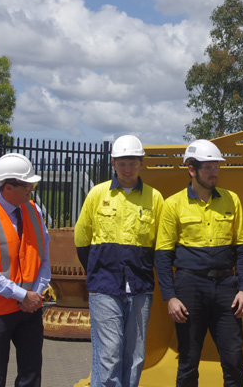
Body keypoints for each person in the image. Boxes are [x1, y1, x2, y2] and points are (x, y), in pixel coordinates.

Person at [155, 139, 243, 387]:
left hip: (227, 287)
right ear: (192, 169)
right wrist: (170, 297)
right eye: (208, 167)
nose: (214, 172)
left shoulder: (232, 199)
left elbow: (242, 249)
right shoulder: (173, 204)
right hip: (189, 286)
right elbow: (163, 255)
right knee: (188, 360)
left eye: (216, 167)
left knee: (234, 359)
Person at [74, 134, 164, 387]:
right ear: (113, 163)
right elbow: (82, 240)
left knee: (135, 356)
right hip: (104, 286)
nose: (127, 169)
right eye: (122, 163)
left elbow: (161, 245)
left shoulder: (155, 198)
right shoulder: (97, 194)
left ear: (142, 164)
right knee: (110, 353)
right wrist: (97, 270)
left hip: (140, 287)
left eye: (133, 163)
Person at [0, 153, 51, 387]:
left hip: (31, 308)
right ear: (7, 188)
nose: (31, 190)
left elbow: (44, 257)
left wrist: (35, 294)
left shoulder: (34, 211)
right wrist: (23, 295)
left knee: (31, 374)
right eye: (27, 185)